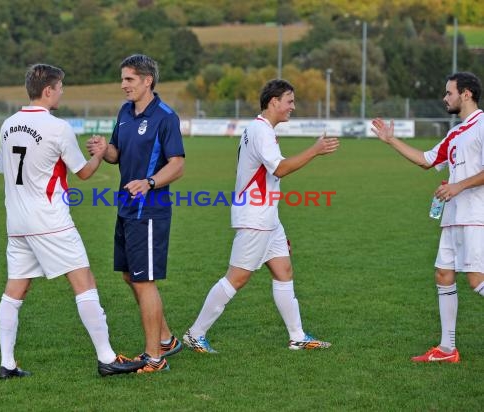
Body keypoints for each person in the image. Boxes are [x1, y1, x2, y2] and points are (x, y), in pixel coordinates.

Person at [0, 63, 144, 379]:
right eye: (60, 87)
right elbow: (84, 173)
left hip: (17, 222)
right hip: (50, 221)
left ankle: (7, 363)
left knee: (15, 290)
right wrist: (99, 153)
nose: (61, 93)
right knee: (84, 282)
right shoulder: (57, 127)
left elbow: (4, 169)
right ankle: (106, 358)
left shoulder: (8, 124)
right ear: (48, 90)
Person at [183, 79, 339, 353]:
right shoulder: (261, 130)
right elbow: (279, 169)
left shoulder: (259, 129)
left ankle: (297, 336)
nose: (293, 106)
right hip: (256, 218)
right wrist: (314, 150)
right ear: (274, 102)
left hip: (267, 217)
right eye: (289, 101)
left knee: (284, 271)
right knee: (236, 278)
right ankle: (195, 334)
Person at [371, 71, 484, 363]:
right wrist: (391, 141)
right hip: (452, 216)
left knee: (476, 280)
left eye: (449, 93)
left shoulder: (483, 124)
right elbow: (426, 160)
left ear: (467, 94)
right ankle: (447, 350)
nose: (445, 98)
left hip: (475, 216)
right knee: (443, 275)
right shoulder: (456, 132)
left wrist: (458, 184)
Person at [88, 54, 185, 373]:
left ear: (147, 80)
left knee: (145, 281)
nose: (123, 85)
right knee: (131, 275)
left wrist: (150, 182)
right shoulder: (125, 112)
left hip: (150, 211)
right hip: (126, 207)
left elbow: (177, 164)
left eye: (129, 79)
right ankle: (167, 340)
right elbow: (117, 154)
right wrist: (104, 150)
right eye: (122, 79)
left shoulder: (165, 117)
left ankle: (155, 358)